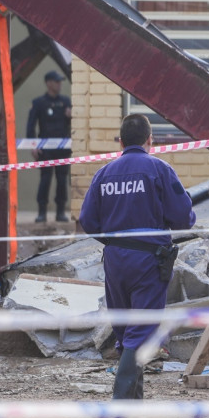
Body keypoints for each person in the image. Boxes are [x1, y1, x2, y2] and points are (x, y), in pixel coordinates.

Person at [79, 114, 196, 400]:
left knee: (125, 330)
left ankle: (134, 403)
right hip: (148, 260)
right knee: (141, 329)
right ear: (149, 140)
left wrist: (116, 239)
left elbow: (87, 220)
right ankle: (121, 402)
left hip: (116, 260)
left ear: (120, 141)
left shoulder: (104, 173)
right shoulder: (159, 169)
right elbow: (184, 217)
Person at [26, 70, 72, 222]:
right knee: (45, 179)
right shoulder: (39, 103)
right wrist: (33, 145)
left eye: (60, 82)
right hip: (45, 149)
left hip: (63, 149)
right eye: (57, 81)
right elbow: (31, 126)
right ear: (49, 83)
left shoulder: (66, 102)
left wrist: (72, 116)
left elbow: (75, 125)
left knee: (62, 180)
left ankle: (60, 212)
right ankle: (42, 212)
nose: (59, 84)